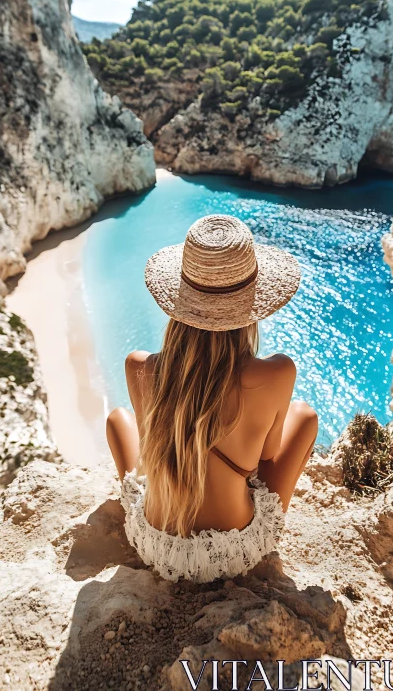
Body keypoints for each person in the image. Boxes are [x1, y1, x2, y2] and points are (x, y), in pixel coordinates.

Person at [106, 214, 317, 582]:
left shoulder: (139, 366)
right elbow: (265, 458)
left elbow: (151, 445)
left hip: (156, 544)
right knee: (305, 417)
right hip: (233, 553)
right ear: (251, 309)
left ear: (178, 303)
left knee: (116, 420)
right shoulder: (277, 372)